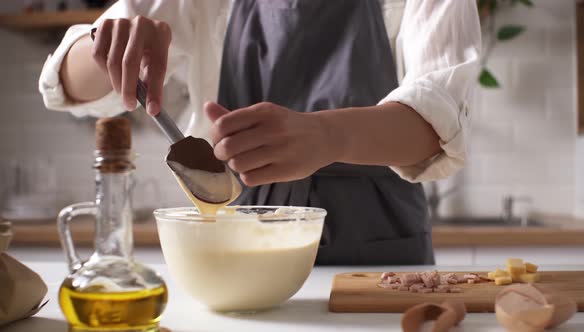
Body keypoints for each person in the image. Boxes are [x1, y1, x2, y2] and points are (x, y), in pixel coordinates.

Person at [39, 0, 481, 265]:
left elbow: (438, 118)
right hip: (235, 242)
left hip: (380, 245)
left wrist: (328, 136)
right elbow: (65, 83)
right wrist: (106, 43)